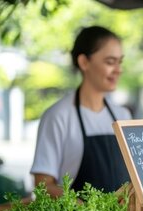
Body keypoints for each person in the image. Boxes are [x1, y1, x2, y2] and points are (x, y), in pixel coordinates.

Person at [31, 26, 131, 196]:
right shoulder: (57, 117)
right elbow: (42, 185)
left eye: (119, 62)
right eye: (110, 62)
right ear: (84, 62)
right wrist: (81, 207)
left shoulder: (123, 116)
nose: (118, 69)